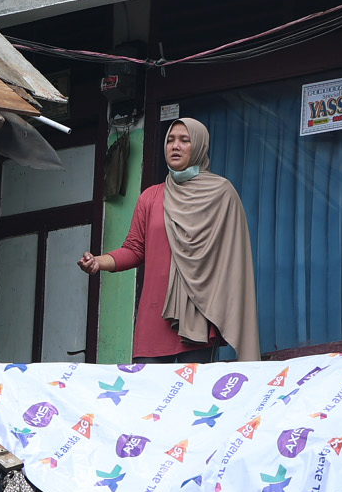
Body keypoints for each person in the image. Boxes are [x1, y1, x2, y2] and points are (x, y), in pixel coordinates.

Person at [77, 116, 260, 362]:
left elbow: (233, 258)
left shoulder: (221, 193)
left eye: (185, 140)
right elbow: (134, 249)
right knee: (148, 393)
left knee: (191, 396)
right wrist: (99, 262)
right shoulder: (151, 197)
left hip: (198, 311)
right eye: (170, 140)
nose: (175, 146)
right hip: (154, 313)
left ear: (199, 147)